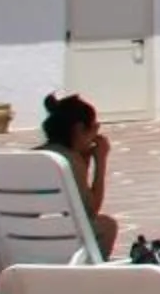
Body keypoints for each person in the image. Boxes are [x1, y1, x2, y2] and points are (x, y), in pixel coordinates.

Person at [39, 91, 119, 257]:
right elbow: (89, 212)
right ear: (80, 129)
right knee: (107, 225)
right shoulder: (68, 160)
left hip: (21, 236)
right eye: (95, 128)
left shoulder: (32, 156)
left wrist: (84, 163)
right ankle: (88, 275)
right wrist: (101, 162)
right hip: (58, 238)